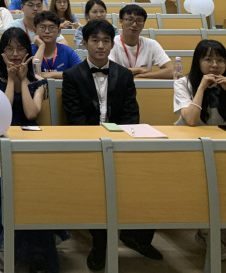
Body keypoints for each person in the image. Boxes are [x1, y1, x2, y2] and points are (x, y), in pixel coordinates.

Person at [62, 20, 161, 270]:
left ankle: (137, 236)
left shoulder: (124, 74)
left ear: (112, 44)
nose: (101, 45)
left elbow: (131, 114)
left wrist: (119, 143)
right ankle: (100, 243)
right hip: (88, 146)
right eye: (95, 40)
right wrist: (99, 143)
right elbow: (75, 118)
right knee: (99, 186)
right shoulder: (72, 75)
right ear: (84, 44)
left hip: (121, 144)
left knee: (154, 175)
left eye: (106, 40)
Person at [0, 27, 58, 272]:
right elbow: (4, 113)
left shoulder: (38, 82)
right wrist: (11, 80)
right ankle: (5, 245)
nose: (14, 54)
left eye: (20, 49)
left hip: (29, 142)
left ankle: (29, 246)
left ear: (28, 52)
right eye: (9, 49)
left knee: (35, 188)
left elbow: (31, 113)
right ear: (2, 53)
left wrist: (23, 80)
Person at [175, 39, 226, 260]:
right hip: (189, 144)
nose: (214, 65)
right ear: (198, 62)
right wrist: (201, 87)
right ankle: (208, 231)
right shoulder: (183, 83)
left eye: (220, 60)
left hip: (220, 142)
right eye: (208, 59)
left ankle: (225, 230)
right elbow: (191, 120)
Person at [109, 4, 174, 78]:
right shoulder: (111, 43)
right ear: (121, 21)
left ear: (143, 24)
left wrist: (141, 76)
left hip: (144, 85)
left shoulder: (151, 44)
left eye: (139, 21)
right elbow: (109, 71)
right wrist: (138, 70)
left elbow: (171, 71)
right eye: (130, 20)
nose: (134, 25)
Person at [30, 11, 82, 79]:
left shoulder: (68, 51)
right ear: (35, 31)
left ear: (59, 32)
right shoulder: (28, 50)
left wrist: (52, 74)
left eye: (51, 27)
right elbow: (32, 73)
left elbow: (81, 72)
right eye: (42, 27)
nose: (47, 31)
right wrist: (41, 46)